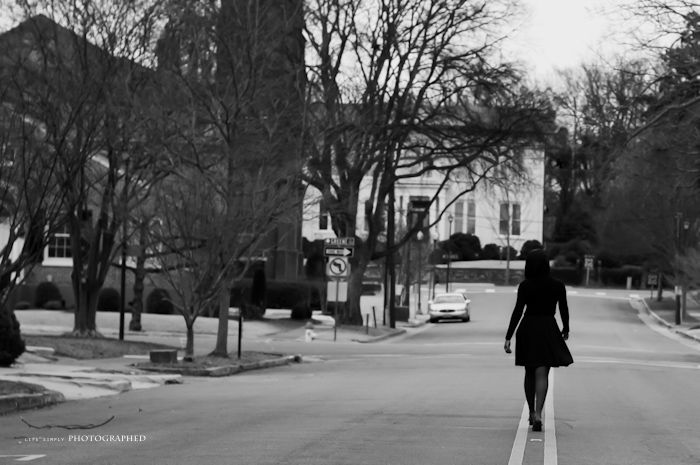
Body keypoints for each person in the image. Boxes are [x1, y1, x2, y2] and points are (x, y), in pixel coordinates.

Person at [504, 249, 573, 432]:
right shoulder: (558, 285)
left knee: (529, 372)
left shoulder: (525, 286)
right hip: (548, 328)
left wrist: (509, 336)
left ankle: (531, 410)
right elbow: (564, 309)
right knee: (542, 372)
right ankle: (538, 414)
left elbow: (518, 311)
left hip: (528, 328)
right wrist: (566, 328)